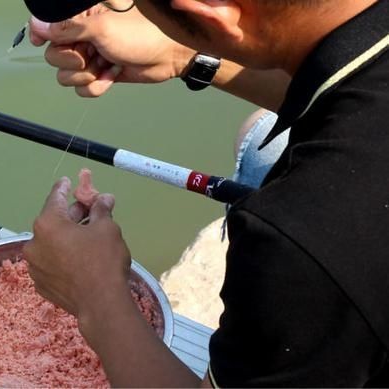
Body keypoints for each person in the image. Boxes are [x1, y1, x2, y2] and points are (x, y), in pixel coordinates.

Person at [20, 0, 389, 386]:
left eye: (128, 1)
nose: (116, 10)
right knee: (258, 137)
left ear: (210, 8)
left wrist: (94, 295)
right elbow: (343, 94)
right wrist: (183, 53)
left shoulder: (300, 244)